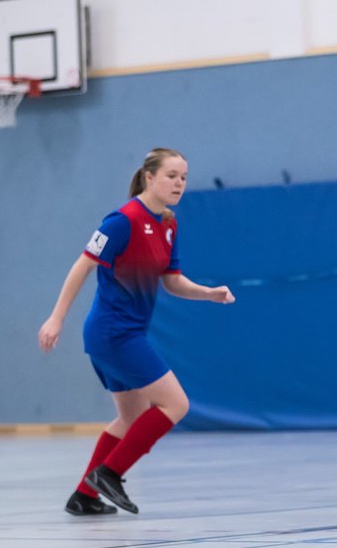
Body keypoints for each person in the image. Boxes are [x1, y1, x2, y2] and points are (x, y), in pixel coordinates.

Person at [39, 148, 234, 515]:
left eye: (184, 177)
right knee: (176, 404)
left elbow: (172, 281)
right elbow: (82, 265)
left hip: (125, 333)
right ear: (149, 177)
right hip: (113, 333)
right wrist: (56, 317)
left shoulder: (169, 224)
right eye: (171, 175)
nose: (179, 183)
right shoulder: (123, 220)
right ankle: (109, 474)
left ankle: (84, 495)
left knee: (131, 419)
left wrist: (209, 294)